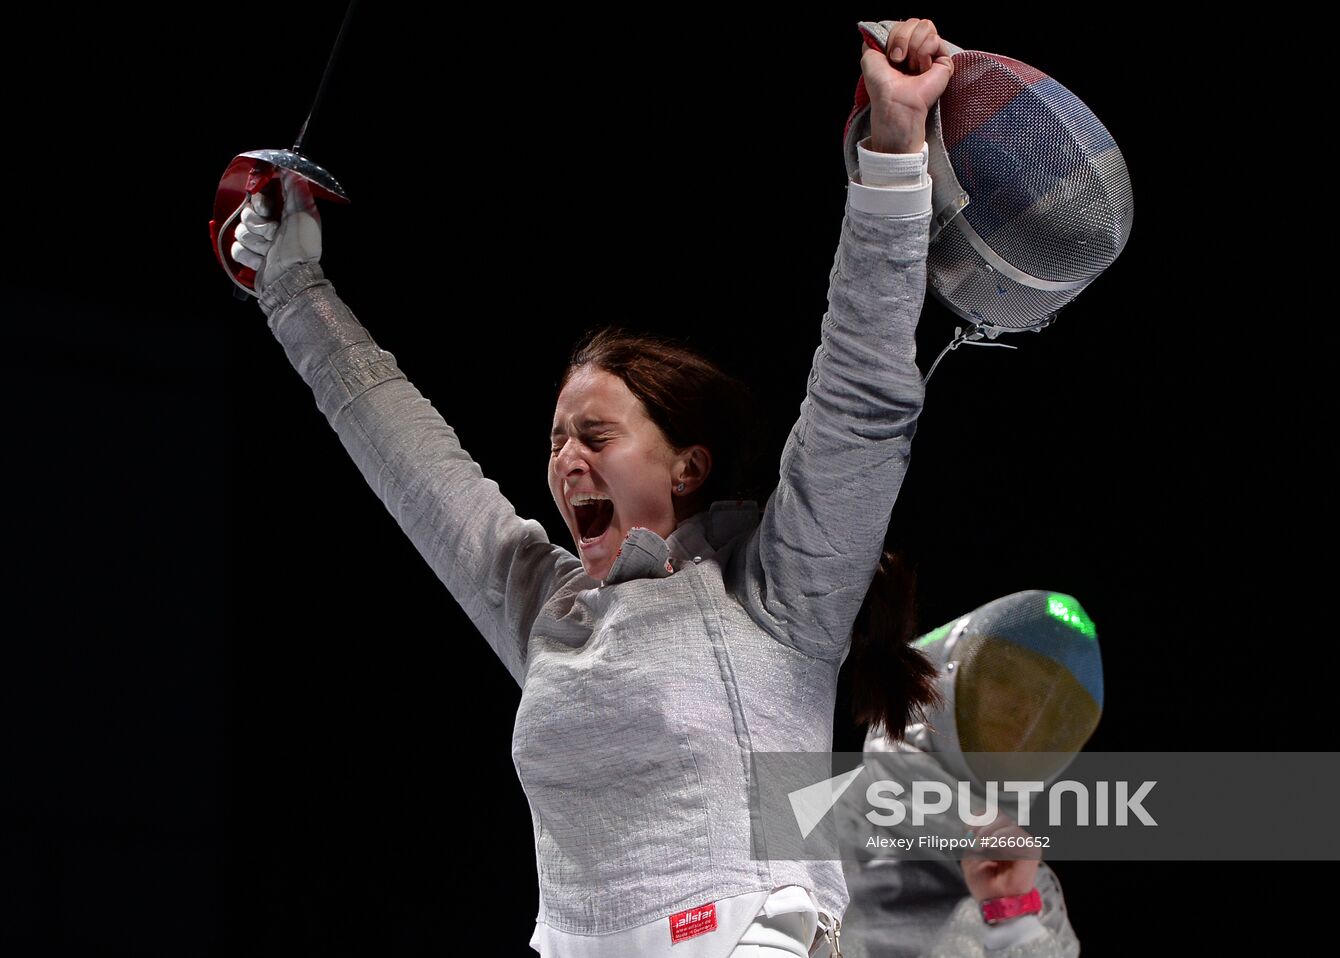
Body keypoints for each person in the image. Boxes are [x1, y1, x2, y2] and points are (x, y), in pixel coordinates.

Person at [228, 18, 956, 958]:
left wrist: (895, 157)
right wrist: (289, 287)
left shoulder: (779, 596)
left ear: (686, 466)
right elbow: (409, 457)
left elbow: (860, 397)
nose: (566, 457)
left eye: (597, 435)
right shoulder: (553, 611)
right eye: (556, 438)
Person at [837, 591, 1103, 957]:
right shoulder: (810, 817)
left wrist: (1012, 922)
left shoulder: (1033, 895)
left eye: (1048, 708)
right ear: (943, 675)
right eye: (1006, 679)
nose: (1026, 713)